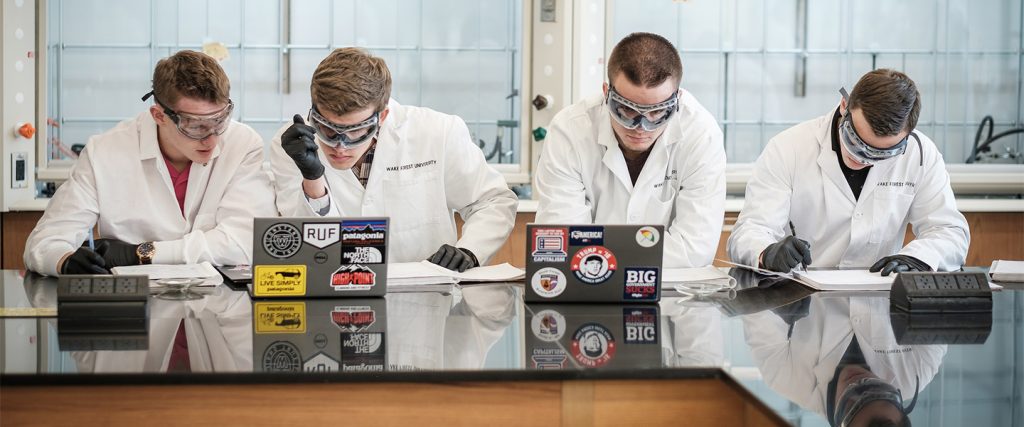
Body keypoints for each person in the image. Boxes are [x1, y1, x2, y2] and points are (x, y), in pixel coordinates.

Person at [24, 50, 276, 276]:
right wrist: (65, 262)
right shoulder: (106, 151)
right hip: (135, 308)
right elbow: (44, 243)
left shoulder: (242, 143)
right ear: (159, 116)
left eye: (220, 121)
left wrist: (141, 253)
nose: (211, 138)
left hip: (221, 308)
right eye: (195, 126)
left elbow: (246, 241)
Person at [270, 48, 517, 272]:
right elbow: (305, 242)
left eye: (356, 131)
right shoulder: (291, 145)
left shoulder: (437, 132)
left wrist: (470, 251)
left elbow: (492, 201)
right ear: (313, 110)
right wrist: (312, 179)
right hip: (334, 289)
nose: (339, 145)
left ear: (382, 115)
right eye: (328, 129)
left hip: (430, 293)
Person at [728, 69, 969, 275]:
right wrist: (767, 252)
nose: (861, 158)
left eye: (880, 154)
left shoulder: (919, 154)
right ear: (845, 105)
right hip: (798, 304)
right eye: (854, 141)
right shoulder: (788, 148)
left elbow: (949, 232)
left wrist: (919, 257)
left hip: (877, 303)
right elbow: (749, 231)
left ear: (906, 136)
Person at [533, 32, 726, 268]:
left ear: (677, 99)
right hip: (588, 285)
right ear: (607, 93)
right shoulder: (570, 131)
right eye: (627, 110)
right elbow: (563, 240)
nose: (641, 127)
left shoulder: (701, 135)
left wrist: (602, 257)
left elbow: (695, 252)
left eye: (657, 112)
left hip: (671, 289)